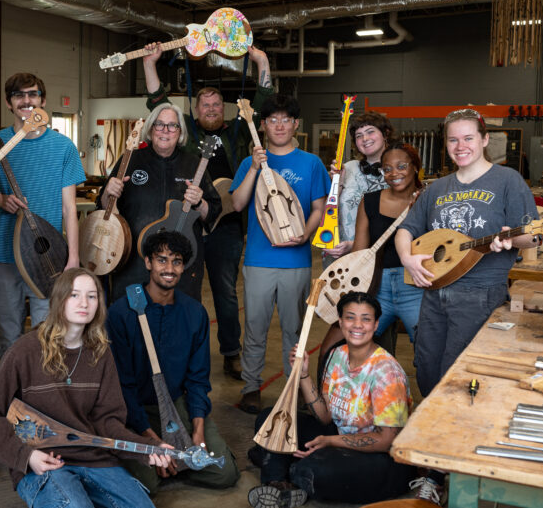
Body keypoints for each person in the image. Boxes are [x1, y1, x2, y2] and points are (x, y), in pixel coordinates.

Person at [395, 109, 538, 504]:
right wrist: (408, 258)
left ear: (485, 139)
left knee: (459, 383)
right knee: (427, 371)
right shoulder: (437, 188)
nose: (461, 146)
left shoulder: (507, 181)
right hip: (434, 293)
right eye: (453, 139)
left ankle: (448, 473)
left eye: (468, 138)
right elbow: (407, 229)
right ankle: (444, 458)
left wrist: (511, 239)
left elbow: (533, 235)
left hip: (479, 294)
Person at [0, 268, 171, 508]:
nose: (84, 303)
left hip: (93, 460)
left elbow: (107, 423)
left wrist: (145, 449)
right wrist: (26, 456)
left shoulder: (100, 353)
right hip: (44, 464)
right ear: (59, 300)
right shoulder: (24, 352)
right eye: (74, 295)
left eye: (91, 296)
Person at [142, 43, 274, 381]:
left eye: (217, 105)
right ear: (196, 109)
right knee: (180, 288)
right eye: (206, 105)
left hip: (226, 225)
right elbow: (158, 103)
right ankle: (178, 348)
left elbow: (262, 104)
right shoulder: (186, 132)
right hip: (186, 223)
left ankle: (231, 352)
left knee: (225, 291)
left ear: (222, 108)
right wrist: (150, 64)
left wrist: (261, 61)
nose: (212, 109)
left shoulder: (237, 132)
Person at [247, 291, 415, 507]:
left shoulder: (387, 372)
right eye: (350, 317)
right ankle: (277, 484)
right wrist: (303, 375)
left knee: (313, 469)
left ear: (375, 325)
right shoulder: (337, 355)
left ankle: (283, 466)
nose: (357, 325)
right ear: (341, 322)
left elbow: (386, 440)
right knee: (271, 419)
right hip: (339, 437)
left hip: (383, 456)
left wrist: (330, 442)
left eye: (366, 319)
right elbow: (325, 417)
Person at [106, 231, 240, 495]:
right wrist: (152, 440)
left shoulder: (194, 313)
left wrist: (198, 432)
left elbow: (198, 379)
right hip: (134, 409)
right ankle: (165, 462)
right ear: (148, 262)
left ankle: (175, 461)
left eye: (176, 261)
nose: (169, 269)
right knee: (146, 485)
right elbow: (123, 385)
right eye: (162, 260)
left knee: (224, 473)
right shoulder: (121, 312)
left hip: (176, 405)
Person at [230, 93, 330, 414]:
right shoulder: (249, 162)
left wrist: (305, 234)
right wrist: (253, 168)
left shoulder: (311, 163)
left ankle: (294, 387)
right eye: (273, 120)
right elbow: (237, 204)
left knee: (294, 331)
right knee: (255, 327)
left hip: (296, 261)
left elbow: (319, 208)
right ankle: (250, 387)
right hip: (258, 260)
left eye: (286, 120)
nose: (280, 126)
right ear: (262, 125)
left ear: (296, 124)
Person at [0, 72, 85, 356]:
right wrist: (2, 200)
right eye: (19, 95)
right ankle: (12, 386)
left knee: (49, 338)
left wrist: (73, 258)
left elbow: (69, 208)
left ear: (43, 100)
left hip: (48, 257)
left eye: (33, 94)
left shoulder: (63, 147)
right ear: (9, 103)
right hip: (4, 256)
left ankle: (44, 387)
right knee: (9, 340)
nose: (26, 101)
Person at [97, 103, 222, 303]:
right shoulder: (130, 160)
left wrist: (199, 202)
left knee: (179, 316)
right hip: (133, 263)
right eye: (159, 124)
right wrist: (107, 192)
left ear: (180, 133)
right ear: (150, 129)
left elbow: (213, 212)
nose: (165, 130)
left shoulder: (193, 164)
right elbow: (104, 207)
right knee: (130, 316)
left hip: (180, 265)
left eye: (172, 125)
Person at [321, 143, 424, 358]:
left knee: (428, 353)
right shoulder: (370, 200)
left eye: (401, 166)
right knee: (331, 348)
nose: (394, 173)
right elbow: (359, 252)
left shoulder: (427, 200)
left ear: (415, 167)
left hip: (416, 286)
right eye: (387, 169)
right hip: (376, 285)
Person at [323, 111, 396, 268]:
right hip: (341, 259)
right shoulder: (348, 168)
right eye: (359, 135)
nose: (365, 139)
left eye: (370, 132)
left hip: (381, 259)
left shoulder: (398, 172)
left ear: (385, 134)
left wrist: (354, 245)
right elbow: (327, 212)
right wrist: (337, 184)